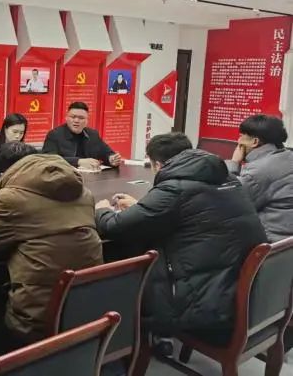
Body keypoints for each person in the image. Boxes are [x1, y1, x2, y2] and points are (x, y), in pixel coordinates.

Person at [95, 132, 267, 338]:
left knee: (124, 251)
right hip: (237, 293)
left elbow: (113, 226)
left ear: (158, 164)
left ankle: (123, 336)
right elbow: (192, 213)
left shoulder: (175, 190)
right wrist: (141, 207)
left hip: (198, 305)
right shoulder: (228, 179)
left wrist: (102, 210)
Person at [0, 142, 103, 348]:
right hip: (87, 311)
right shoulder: (84, 193)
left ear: (4, 173)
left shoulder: (11, 199)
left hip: (36, 320)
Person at [227, 114, 293, 242]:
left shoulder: (258, 171)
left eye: (242, 136)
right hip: (288, 240)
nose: (238, 141)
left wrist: (233, 163)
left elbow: (230, 201)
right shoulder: (288, 156)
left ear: (255, 142)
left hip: (271, 242)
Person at [43, 101, 121, 170]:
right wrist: (78, 161)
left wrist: (111, 159)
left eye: (81, 118)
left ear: (87, 121)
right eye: (73, 117)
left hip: (91, 177)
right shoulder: (55, 134)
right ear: (66, 118)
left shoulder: (93, 134)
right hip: (66, 177)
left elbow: (106, 153)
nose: (76, 120)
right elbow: (48, 159)